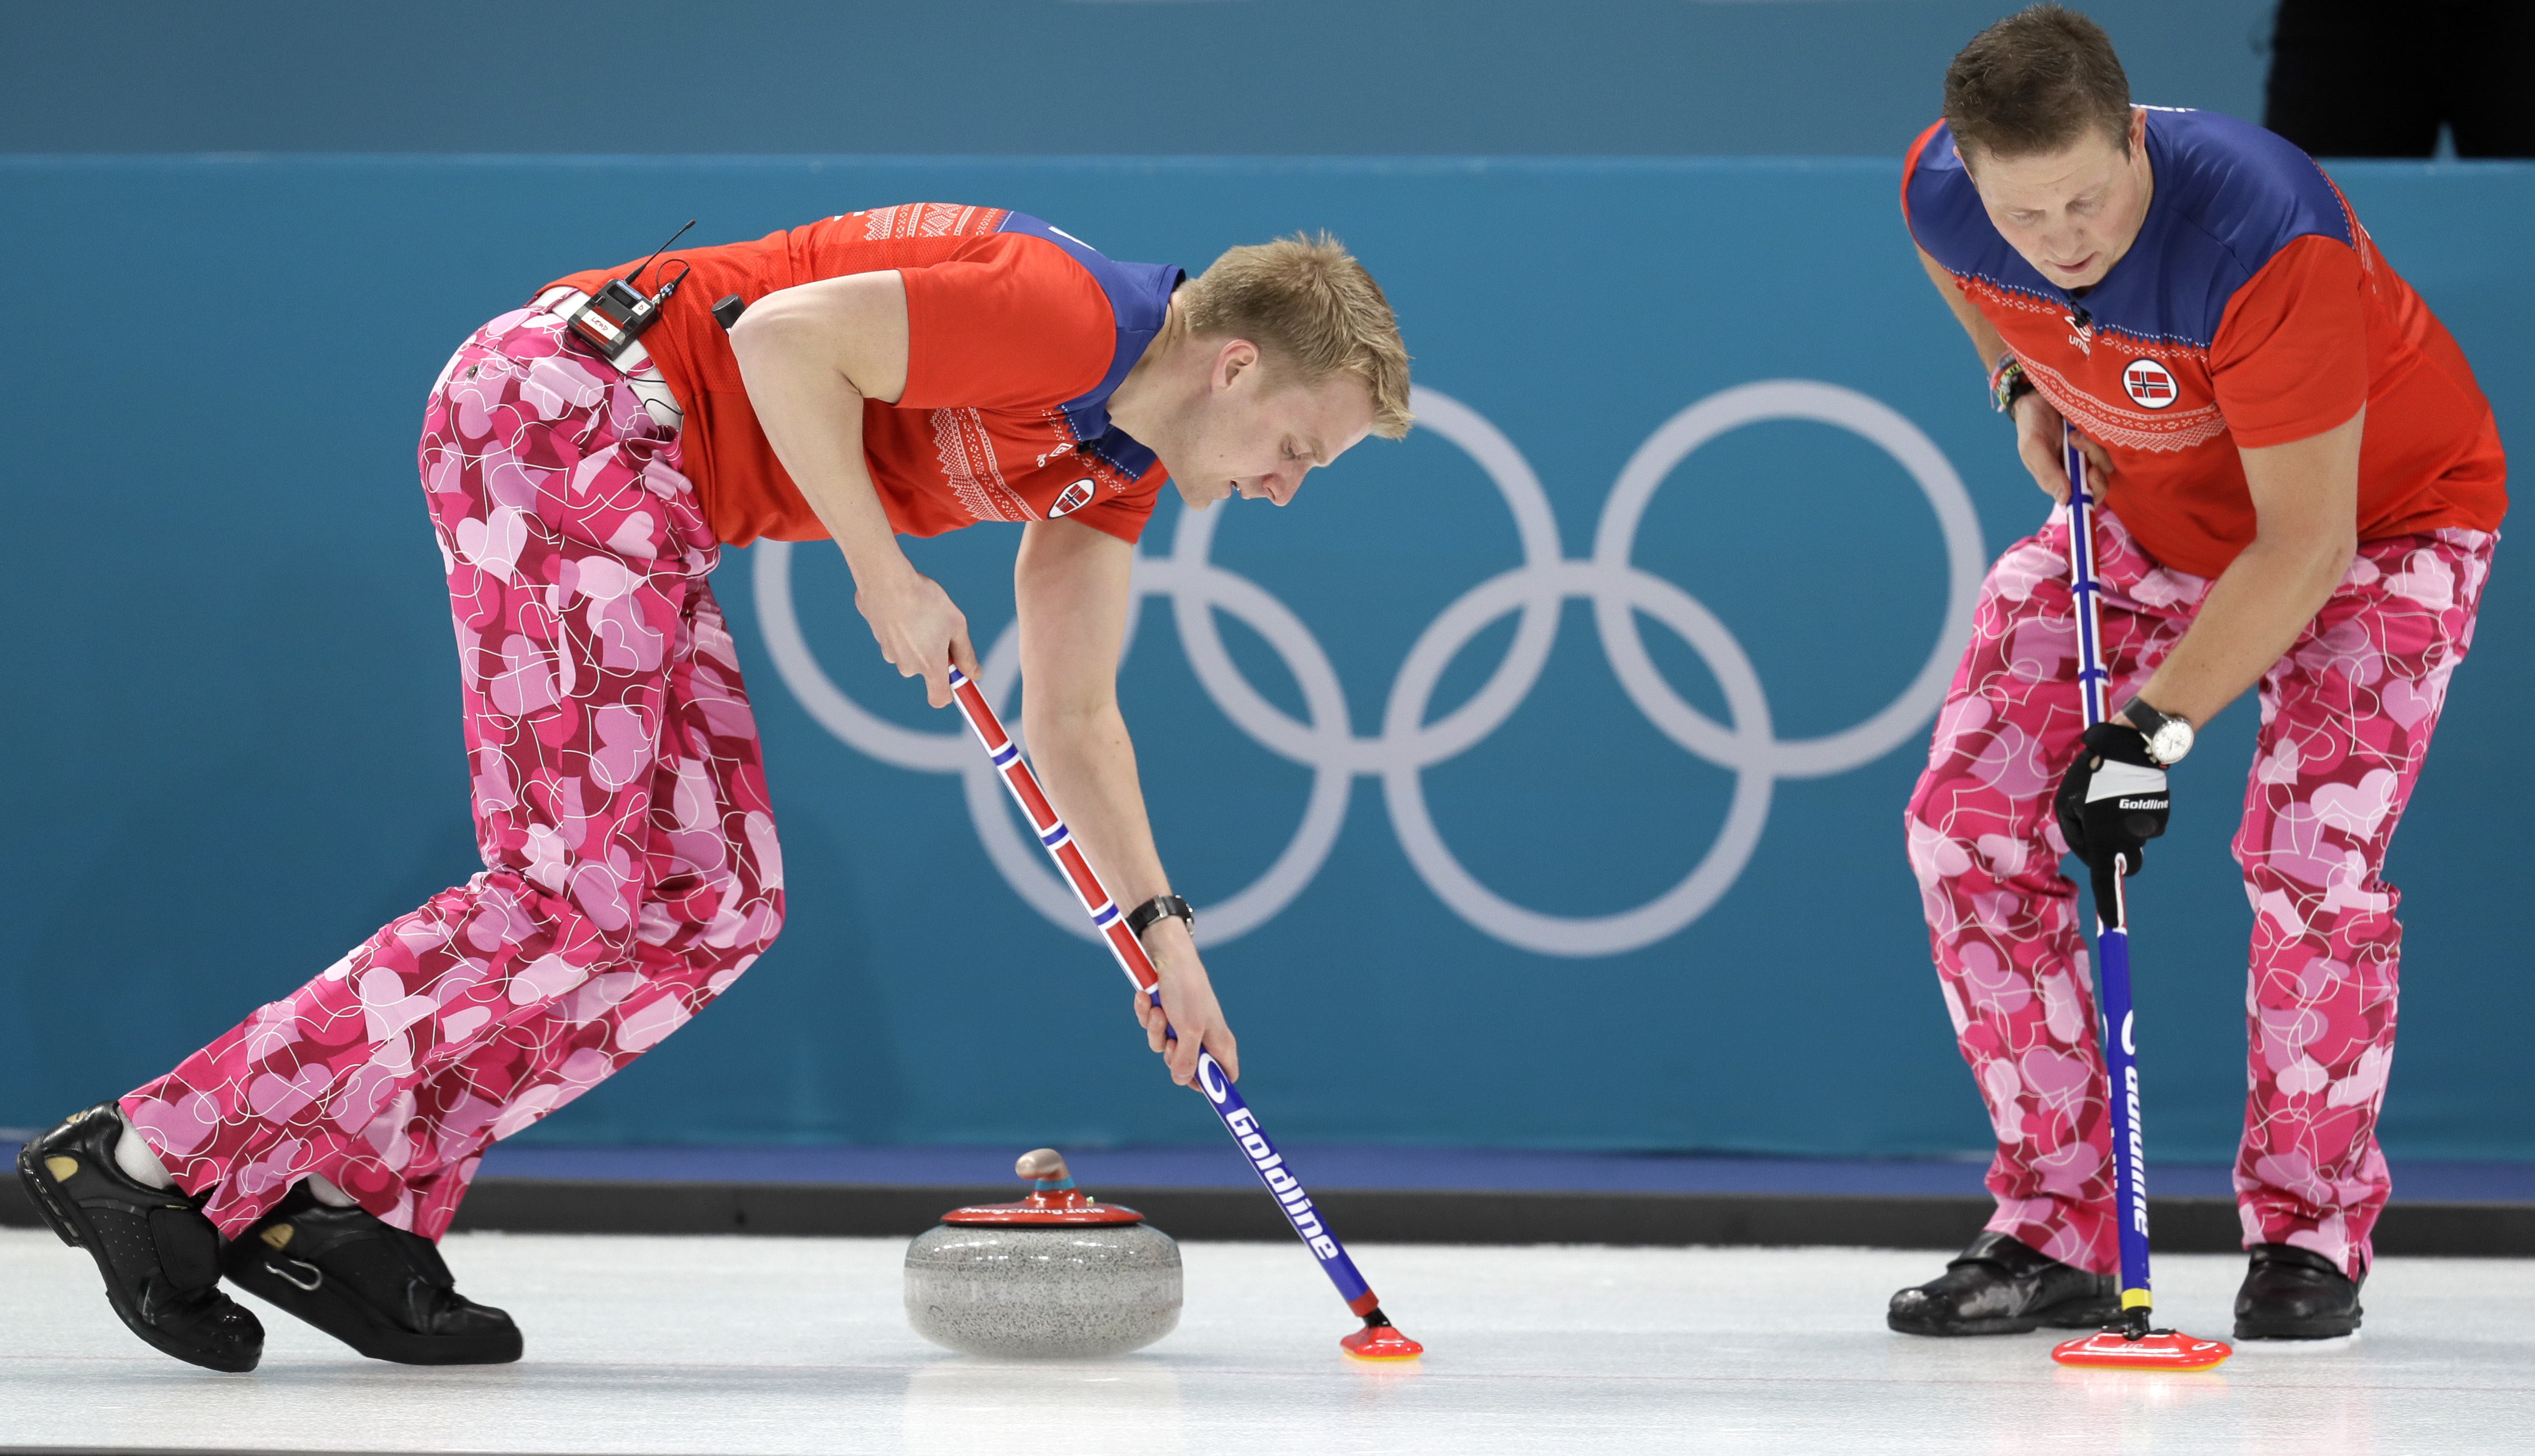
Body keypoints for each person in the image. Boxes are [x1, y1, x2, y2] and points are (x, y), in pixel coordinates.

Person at [14, 204, 1411, 1373]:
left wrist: (1165, 940)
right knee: (574, 888)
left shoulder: (1112, 467)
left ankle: (341, 1203)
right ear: (1235, 367)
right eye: (1304, 447)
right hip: (562, 408)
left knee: (714, 901)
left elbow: (1078, 714)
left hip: (644, 478)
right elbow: (783, 341)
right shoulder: (1067, 311)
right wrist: (885, 572)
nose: (1290, 487)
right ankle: (138, 1160)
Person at [1887, 6, 2505, 1342]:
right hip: (2153, 513)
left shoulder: (2263, 234)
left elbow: (2306, 544)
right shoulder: (1946, 194)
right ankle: (2054, 1221)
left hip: (2377, 530)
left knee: (2309, 862)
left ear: (2135, 134)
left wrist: (2146, 737)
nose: (2060, 241)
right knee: (1965, 828)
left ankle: (2308, 1231)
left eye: (2086, 200)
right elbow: (1967, 272)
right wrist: (2021, 380)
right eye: (2024, 215)